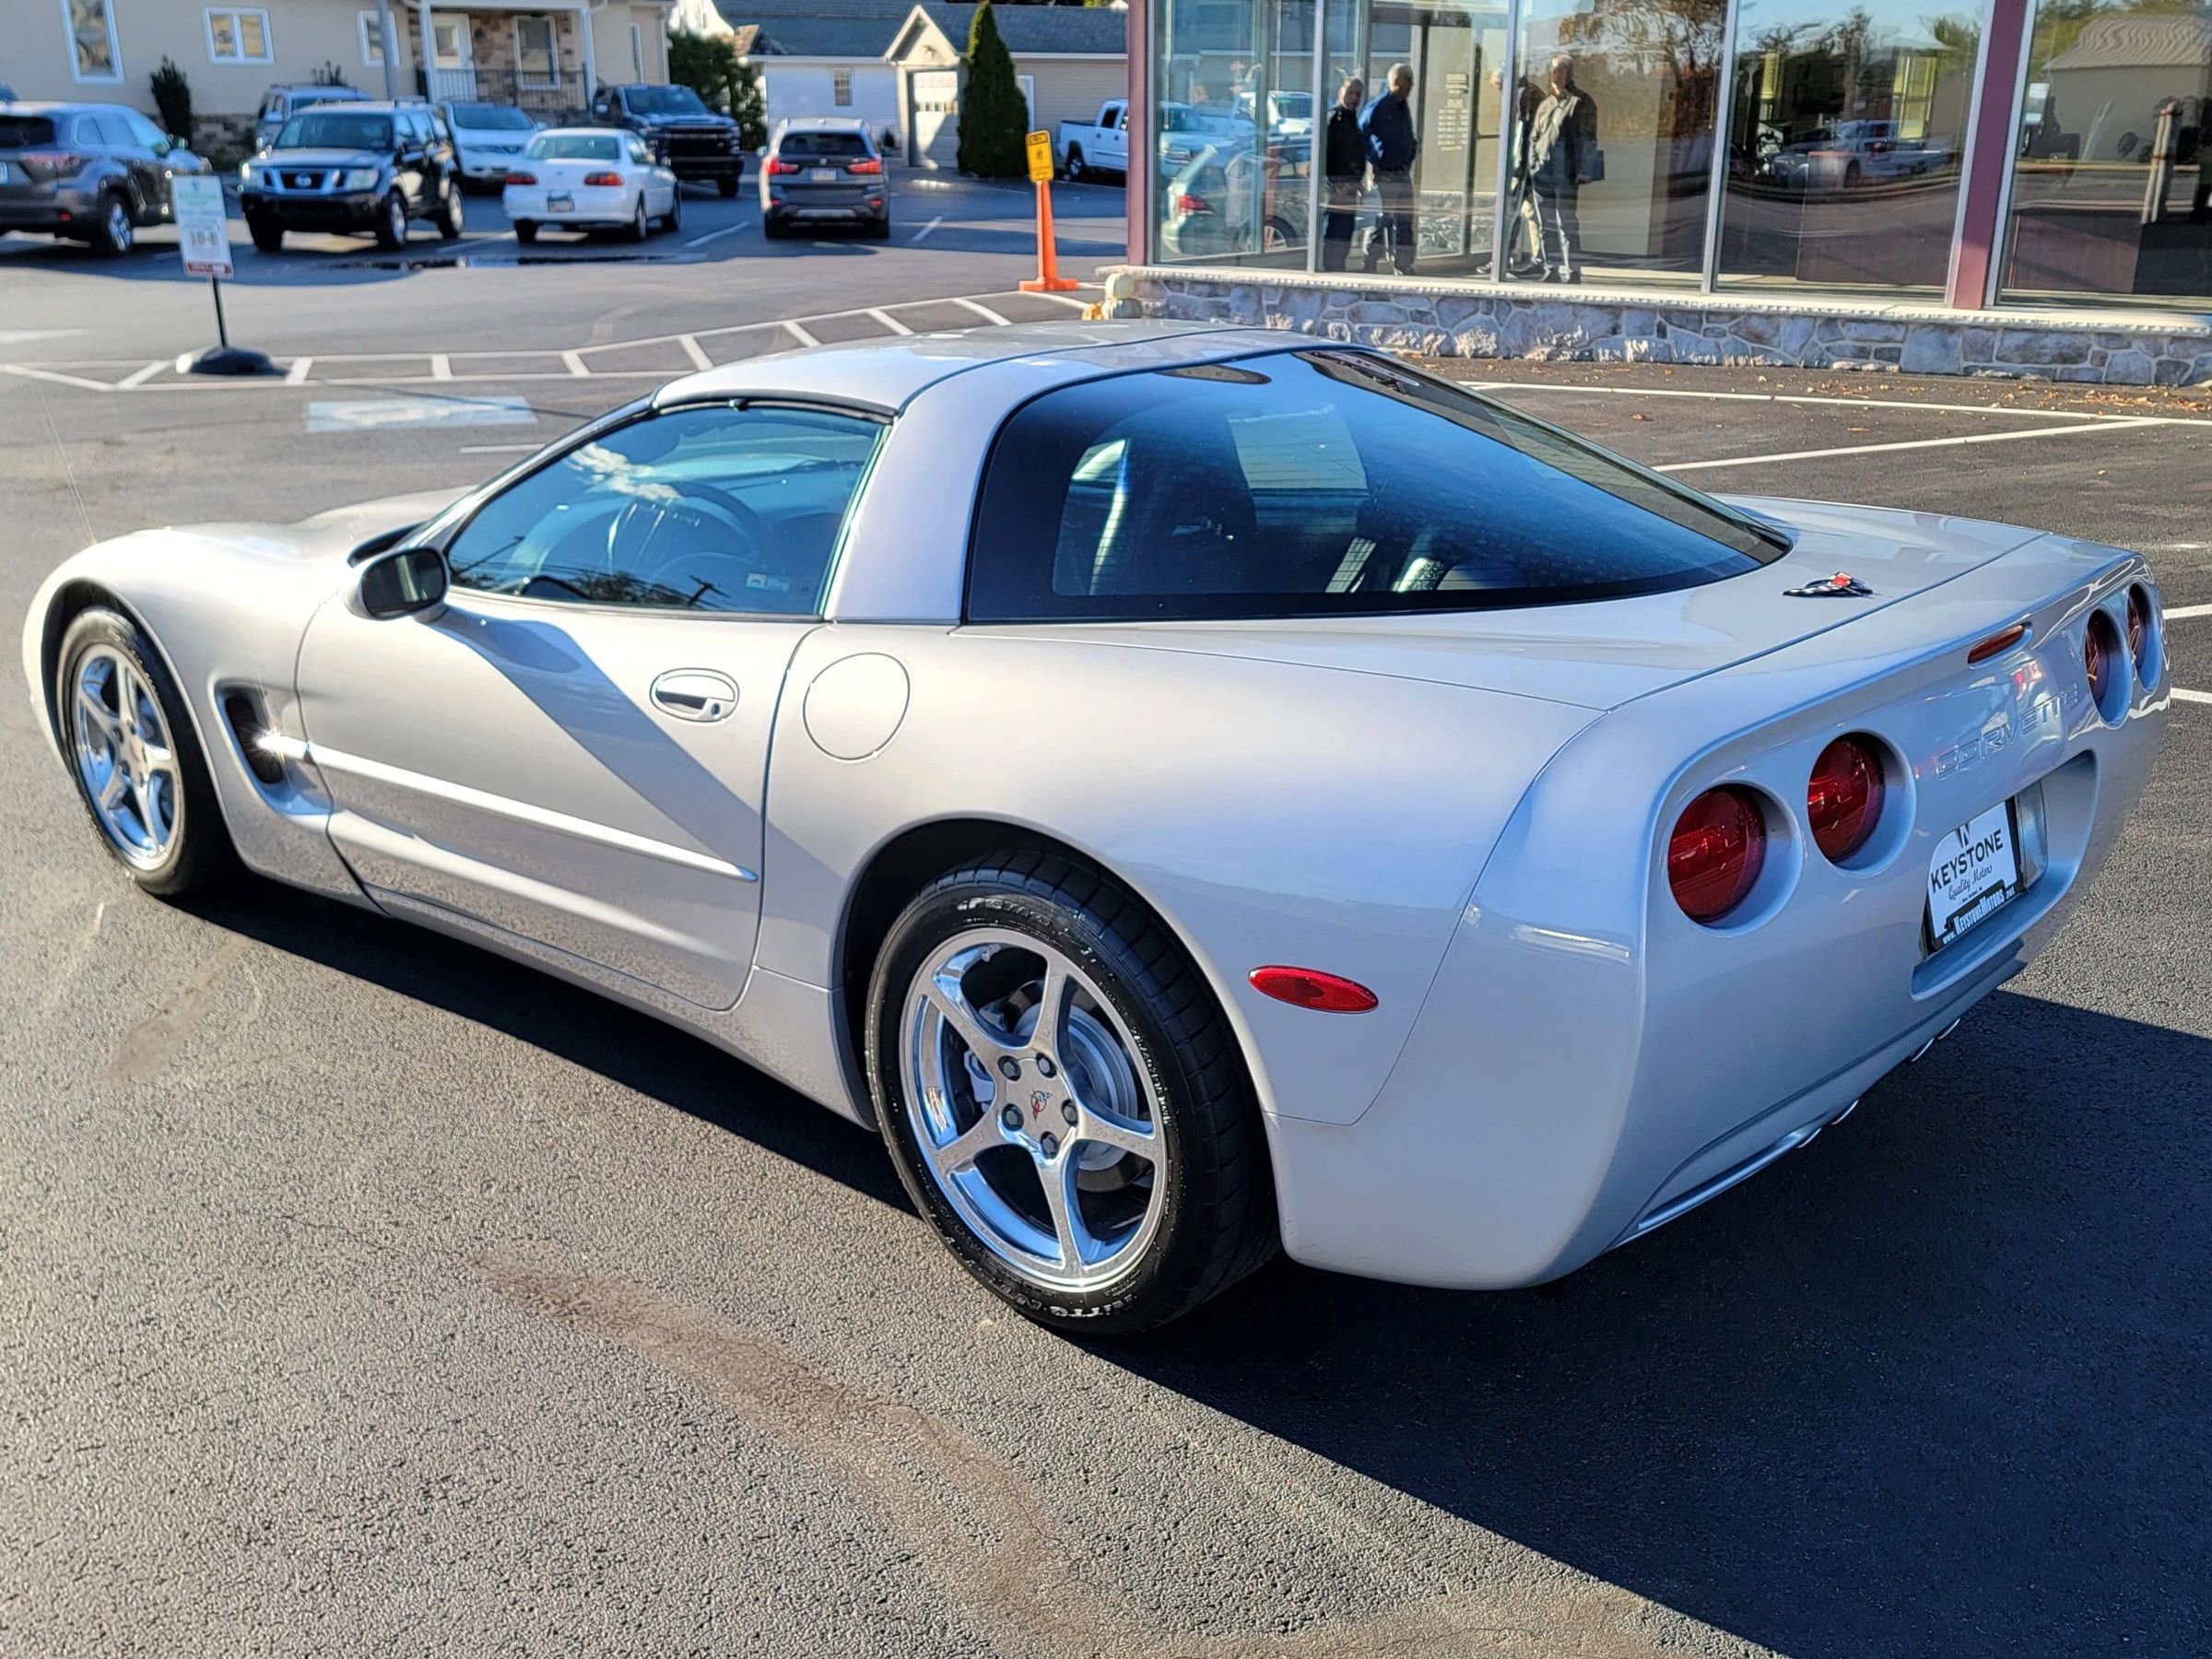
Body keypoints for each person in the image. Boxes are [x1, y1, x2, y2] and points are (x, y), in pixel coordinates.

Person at [1525, 54, 1598, 283]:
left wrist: (1584, 169)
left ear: (1570, 74)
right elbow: (1534, 137)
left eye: (1561, 71)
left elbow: (1588, 138)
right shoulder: (1546, 104)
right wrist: (1532, 165)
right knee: (1545, 223)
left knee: (1566, 221)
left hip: (1566, 171)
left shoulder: (1581, 101)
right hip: (1543, 173)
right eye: (1554, 71)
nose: (1556, 75)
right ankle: (1551, 268)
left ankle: (1573, 270)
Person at [1360, 63, 1418, 275]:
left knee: (1404, 221)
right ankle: (1369, 262)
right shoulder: (1379, 106)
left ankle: (1403, 264)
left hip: (1402, 173)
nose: (1411, 85)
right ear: (1396, 82)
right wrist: (1373, 161)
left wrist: (1412, 149)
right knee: (1381, 220)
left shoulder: (1404, 107)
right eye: (1408, 80)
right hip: (1384, 174)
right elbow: (1362, 134)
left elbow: (1408, 135)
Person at [1322, 76, 1367, 272]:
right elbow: (1328, 154)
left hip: (1352, 184)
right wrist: (1336, 184)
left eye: (1358, 94)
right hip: (1338, 185)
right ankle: (1332, 268)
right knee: (1337, 230)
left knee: (1346, 230)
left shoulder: (1353, 119)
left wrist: (1358, 182)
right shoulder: (1334, 119)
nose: (1354, 97)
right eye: (1351, 93)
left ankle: (1338, 266)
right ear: (1341, 93)